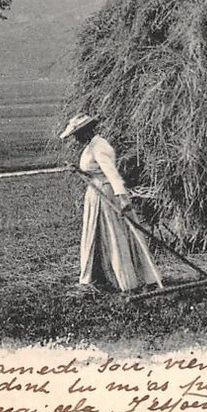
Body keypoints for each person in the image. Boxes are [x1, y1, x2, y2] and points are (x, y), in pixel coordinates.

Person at [60, 112, 163, 293]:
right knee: (96, 235)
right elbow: (95, 171)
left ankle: (126, 280)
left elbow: (112, 175)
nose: (75, 139)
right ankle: (97, 277)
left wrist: (123, 199)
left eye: (76, 135)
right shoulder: (91, 146)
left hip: (106, 195)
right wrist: (79, 171)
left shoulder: (100, 147)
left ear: (85, 131)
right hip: (95, 193)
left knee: (114, 236)